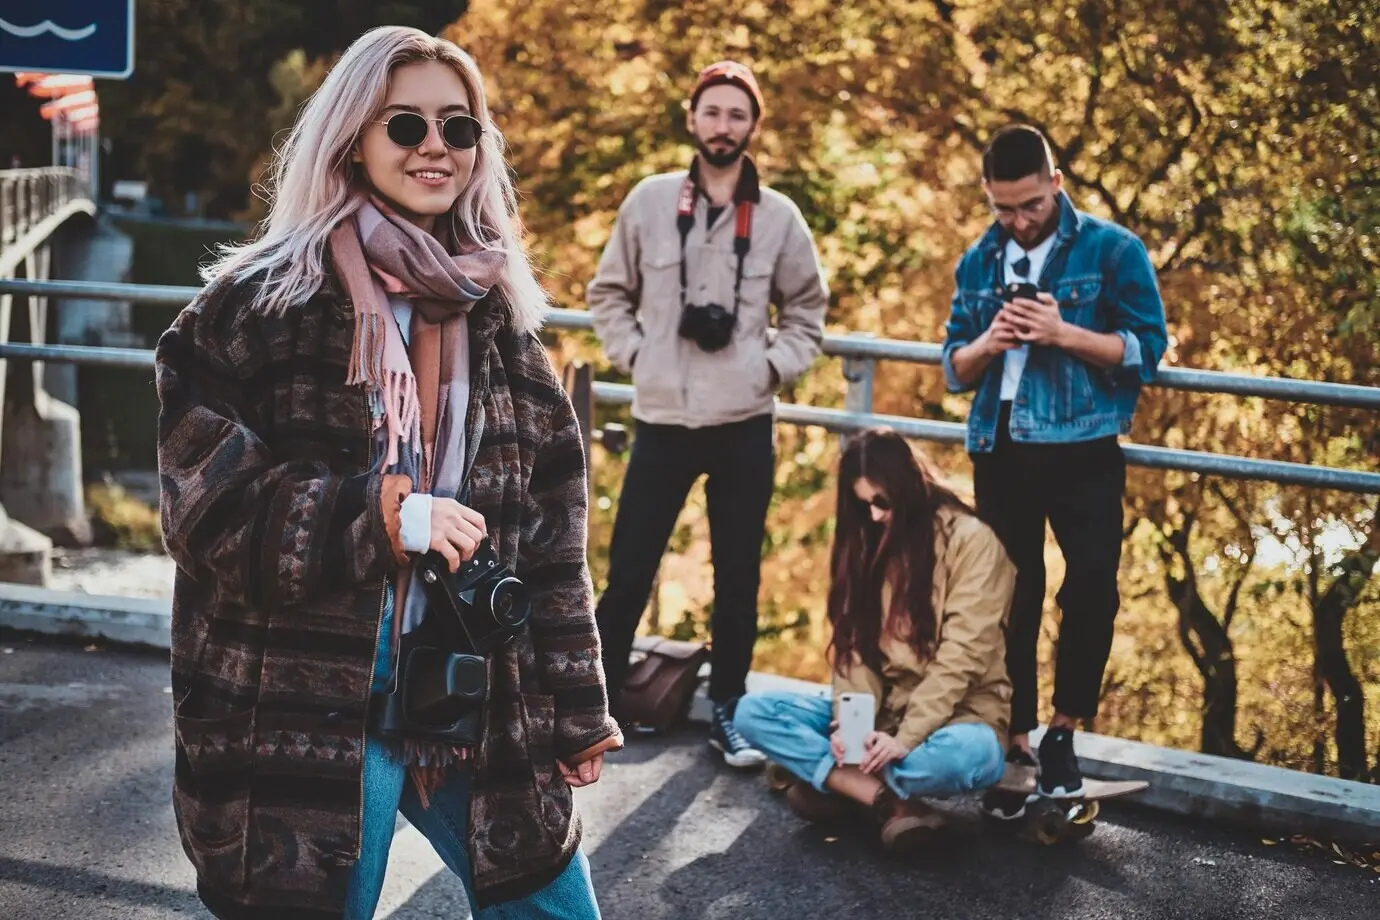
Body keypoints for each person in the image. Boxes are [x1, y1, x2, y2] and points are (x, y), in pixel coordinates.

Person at [156, 27, 621, 919]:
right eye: (405, 125)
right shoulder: (253, 311)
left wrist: (577, 705)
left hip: (471, 696)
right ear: (352, 138)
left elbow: (554, 540)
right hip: (304, 709)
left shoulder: (502, 325)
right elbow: (204, 513)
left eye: (459, 128)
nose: (435, 147)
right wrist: (386, 518)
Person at [588, 60, 828, 768]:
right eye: (712, 112)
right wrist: (639, 357)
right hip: (661, 416)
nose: (723, 125)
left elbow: (809, 313)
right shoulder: (649, 201)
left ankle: (729, 711)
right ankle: (591, 706)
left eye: (737, 114)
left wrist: (769, 367)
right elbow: (607, 294)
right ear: (692, 119)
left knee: (738, 578)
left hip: (744, 422)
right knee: (629, 567)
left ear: (754, 126)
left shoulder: (780, 218)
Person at [941, 124, 1168, 817]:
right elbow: (953, 366)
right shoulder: (979, 259)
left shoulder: (1112, 248)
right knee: (1014, 594)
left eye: (1031, 205)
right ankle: (1018, 740)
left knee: (1092, 588)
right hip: (1000, 444)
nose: (1018, 220)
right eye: (1004, 207)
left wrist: (1061, 332)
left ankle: (1064, 734)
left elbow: (1148, 348)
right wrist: (989, 342)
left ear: (1056, 184)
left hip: (1084, 444)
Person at [733, 429, 1014, 851]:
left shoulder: (972, 541)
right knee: (752, 712)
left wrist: (906, 738)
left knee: (955, 759)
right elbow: (854, 649)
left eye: (882, 501)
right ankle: (885, 801)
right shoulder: (865, 540)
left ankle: (837, 784)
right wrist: (851, 727)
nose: (876, 515)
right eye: (863, 506)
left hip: (960, 717)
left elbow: (964, 656)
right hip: (880, 718)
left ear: (910, 487)